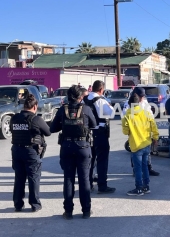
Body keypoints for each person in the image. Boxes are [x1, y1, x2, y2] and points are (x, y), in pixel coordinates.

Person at [50, 85, 96, 220]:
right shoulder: (86, 109)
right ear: (80, 97)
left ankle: (68, 211)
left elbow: (53, 128)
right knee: (84, 179)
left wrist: (65, 123)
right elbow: (93, 124)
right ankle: (86, 211)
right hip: (83, 147)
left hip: (67, 146)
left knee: (68, 179)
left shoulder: (62, 110)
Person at [10, 94, 51, 212]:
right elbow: (48, 132)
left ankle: (18, 204)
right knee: (34, 177)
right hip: (31, 151)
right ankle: (35, 204)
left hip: (16, 150)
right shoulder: (36, 119)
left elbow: (13, 130)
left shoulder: (14, 118)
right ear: (35, 106)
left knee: (19, 178)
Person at [122, 94, 159, 196]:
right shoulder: (146, 113)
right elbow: (153, 126)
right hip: (146, 143)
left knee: (137, 168)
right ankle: (146, 186)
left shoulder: (127, 115)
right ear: (139, 103)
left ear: (130, 104)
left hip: (136, 145)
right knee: (145, 166)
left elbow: (125, 132)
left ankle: (138, 188)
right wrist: (155, 137)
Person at [84, 80, 116, 194]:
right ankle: (102, 185)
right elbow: (111, 113)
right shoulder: (101, 100)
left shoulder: (84, 100)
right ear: (101, 90)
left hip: (87, 133)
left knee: (89, 160)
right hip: (100, 132)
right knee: (102, 160)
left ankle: (88, 184)